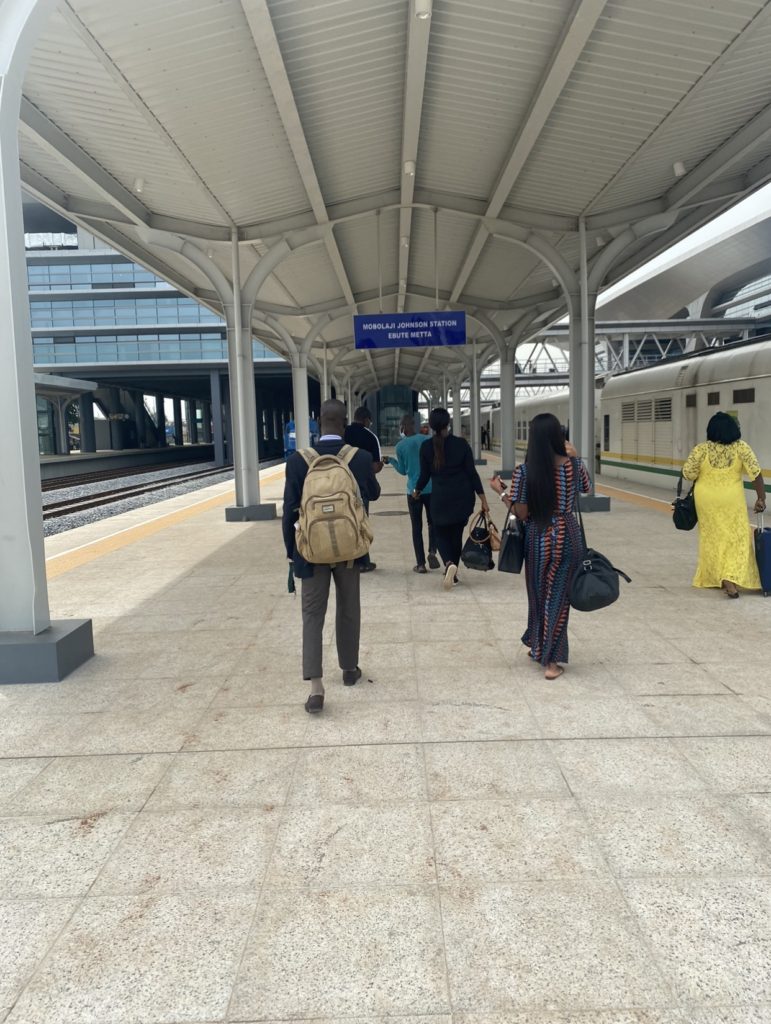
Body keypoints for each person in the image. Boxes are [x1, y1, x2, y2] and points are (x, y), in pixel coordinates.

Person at [283, 399, 380, 712]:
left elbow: (288, 513)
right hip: (350, 549)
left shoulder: (298, 460)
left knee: (312, 615)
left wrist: (291, 554)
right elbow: (373, 493)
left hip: (311, 553)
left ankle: (316, 688)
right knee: (349, 608)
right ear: (344, 424)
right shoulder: (360, 457)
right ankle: (349, 670)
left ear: (319, 421)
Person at [491, 413, 590, 680]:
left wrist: (501, 493)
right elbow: (587, 487)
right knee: (558, 598)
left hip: (538, 537)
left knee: (538, 597)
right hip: (569, 537)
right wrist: (577, 456)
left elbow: (521, 513)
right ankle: (546, 654)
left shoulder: (524, 471)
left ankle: (545, 654)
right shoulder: (572, 464)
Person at [681, 411, 766, 598]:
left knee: (713, 539)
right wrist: (761, 498)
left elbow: (688, 474)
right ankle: (730, 578)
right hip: (731, 500)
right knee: (737, 538)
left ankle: (719, 577)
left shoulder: (701, 449)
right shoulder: (741, 448)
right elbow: (756, 473)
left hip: (707, 501)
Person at [413, 407, 489, 590]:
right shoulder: (462, 444)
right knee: (456, 535)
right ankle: (452, 573)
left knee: (440, 534)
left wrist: (416, 490)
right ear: (448, 424)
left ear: (430, 425)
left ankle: (448, 564)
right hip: (462, 498)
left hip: (440, 498)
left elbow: (424, 476)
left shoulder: (426, 447)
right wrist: (483, 499)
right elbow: (472, 474)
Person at [390, 414, 439, 573]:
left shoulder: (400, 446)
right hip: (431, 488)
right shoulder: (427, 440)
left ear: (403, 426)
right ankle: (432, 551)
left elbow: (403, 471)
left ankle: (421, 564)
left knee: (416, 527)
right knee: (433, 523)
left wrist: (390, 461)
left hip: (413, 491)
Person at [344, 406, 382, 571]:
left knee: (344, 522)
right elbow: (375, 466)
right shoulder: (370, 436)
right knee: (362, 524)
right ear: (367, 420)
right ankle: (363, 562)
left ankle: (345, 560)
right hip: (361, 488)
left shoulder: (343, 433)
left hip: (341, 486)